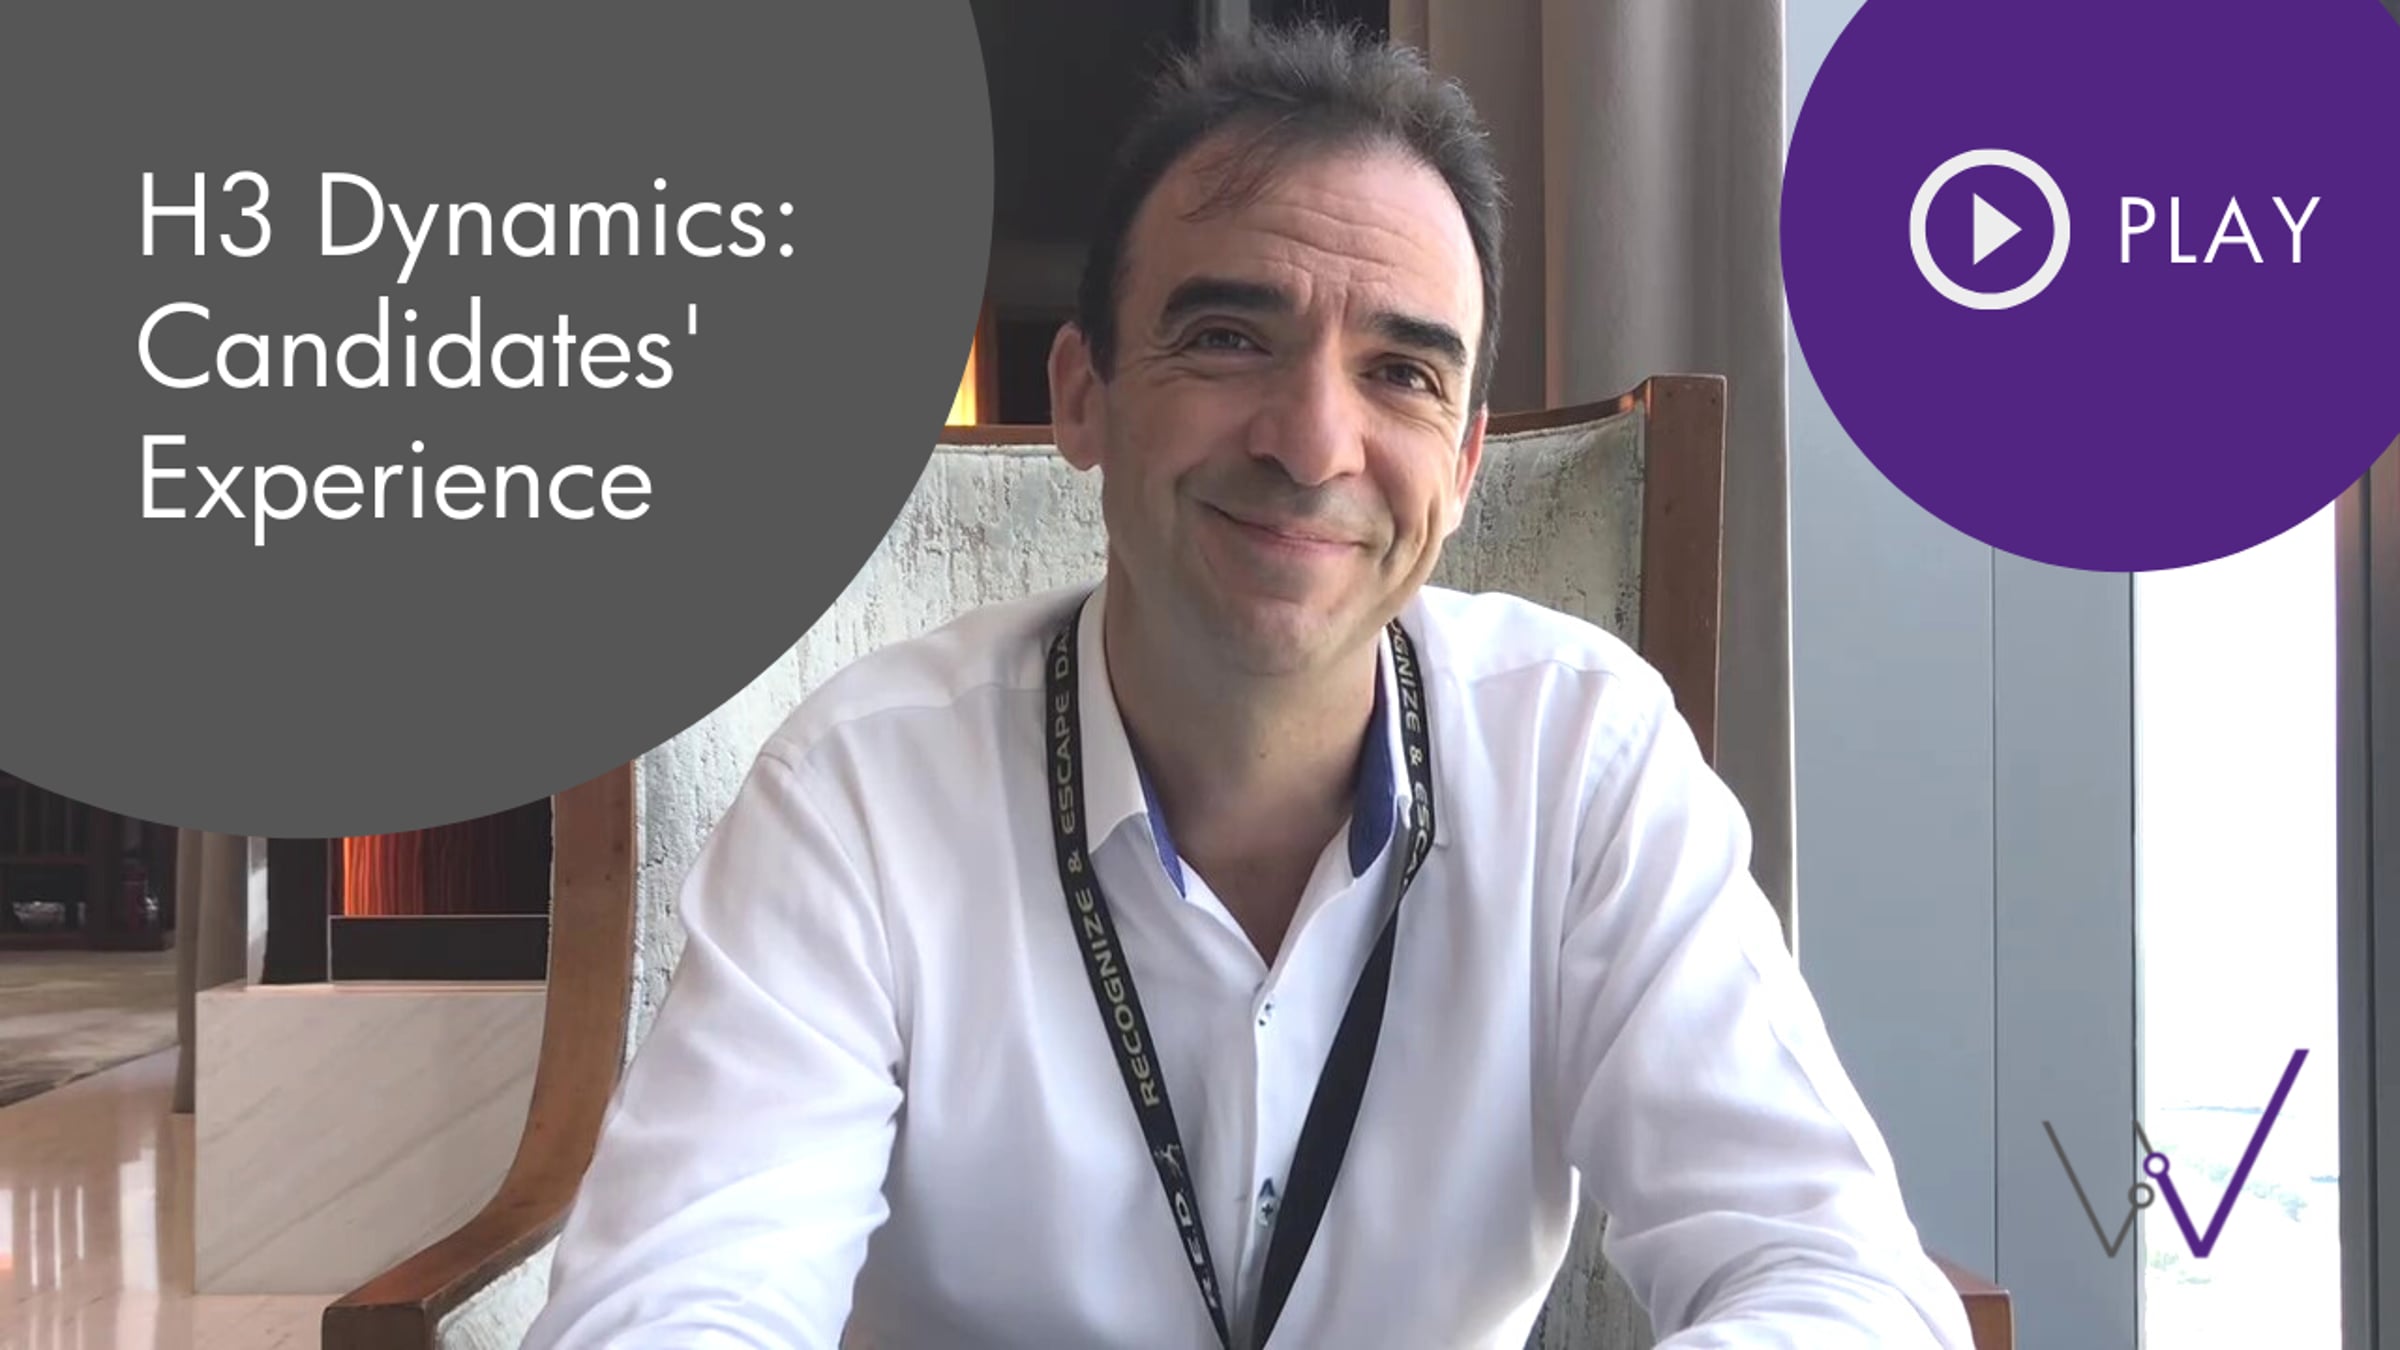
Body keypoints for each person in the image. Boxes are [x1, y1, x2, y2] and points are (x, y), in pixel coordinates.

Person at [522, 23, 1975, 1350]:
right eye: (1228, 339)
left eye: (1403, 373)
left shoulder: (1582, 760)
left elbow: (1841, 1283)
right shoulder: (863, 793)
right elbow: (668, 1308)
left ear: (1465, 464)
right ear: (1082, 396)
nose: (1312, 440)